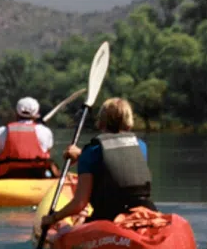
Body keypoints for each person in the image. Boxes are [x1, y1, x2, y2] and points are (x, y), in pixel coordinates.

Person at [38, 96, 153, 241]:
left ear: (101, 123)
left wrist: (53, 218)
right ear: (129, 122)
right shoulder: (141, 146)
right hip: (144, 213)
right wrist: (82, 155)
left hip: (107, 218)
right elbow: (118, 162)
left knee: (59, 234)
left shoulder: (90, 152)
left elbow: (79, 204)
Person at [0, 96, 57, 182]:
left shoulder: (1, 132)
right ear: (36, 114)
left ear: (16, 113)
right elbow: (47, 155)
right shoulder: (45, 132)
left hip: (5, 178)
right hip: (36, 178)